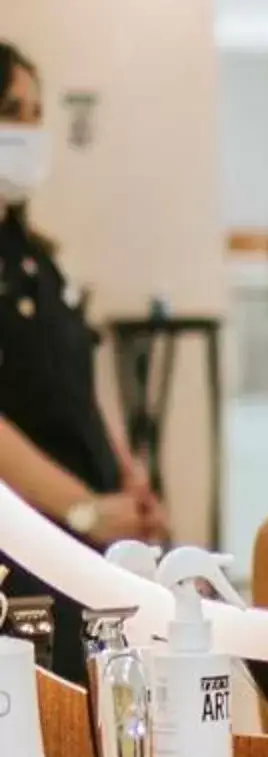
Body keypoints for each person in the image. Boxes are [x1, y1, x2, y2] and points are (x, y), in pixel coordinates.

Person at [0, 43, 166, 553]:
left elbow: (78, 384)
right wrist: (82, 508)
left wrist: (128, 479)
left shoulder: (37, 257)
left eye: (35, 115)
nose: (27, 131)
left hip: (87, 535)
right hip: (28, 537)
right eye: (11, 113)